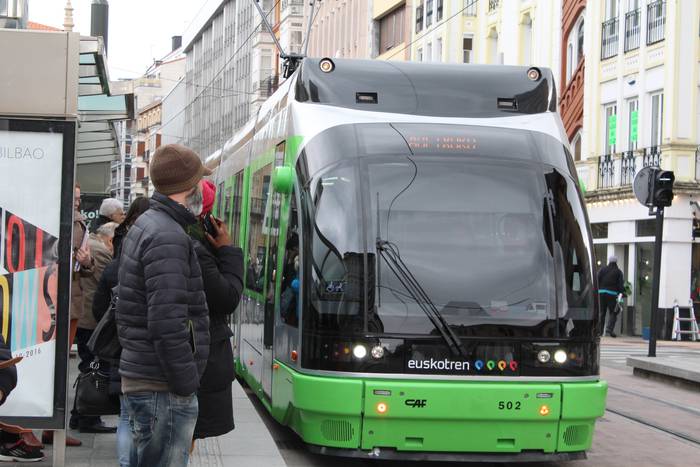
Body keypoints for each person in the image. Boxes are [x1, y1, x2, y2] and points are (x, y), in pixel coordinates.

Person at [116, 144, 211, 467]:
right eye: (199, 181)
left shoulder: (148, 224)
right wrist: (185, 384)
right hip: (161, 386)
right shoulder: (168, 236)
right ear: (189, 187)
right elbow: (167, 321)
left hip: (145, 377)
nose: (203, 189)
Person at [92, 198, 149, 467]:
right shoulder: (152, 263)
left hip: (120, 347)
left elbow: (98, 309)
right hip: (145, 353)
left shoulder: (114, 267)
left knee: (126, 415)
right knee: (145, 418)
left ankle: (126, 464)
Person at [188, 181, 243, 446]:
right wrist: (228, 251)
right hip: (195, 356)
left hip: (187, 355)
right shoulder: (197, 249)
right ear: (205, 216)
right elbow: (227, 298)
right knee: (183, 438)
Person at [68, 222, 118, 434]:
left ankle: (80, 416)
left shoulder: (94, 247)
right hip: (90, 319)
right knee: (92, 368)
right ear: (109, 240)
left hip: (85, 316)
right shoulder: (102, 252)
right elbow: (104, 282)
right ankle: (86, 416)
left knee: (89, 366)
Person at [598, 256, 625, 337]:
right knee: (614, 312)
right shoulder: (618, 272)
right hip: (612, 294)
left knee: (602, 313)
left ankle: (599, 331)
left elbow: (597, 279)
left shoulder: (602, 269)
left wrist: (598, 289)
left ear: (609, 261)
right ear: (616, 262)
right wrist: (621, 293)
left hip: (601, 293)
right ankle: (609, 329)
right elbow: (620, 285)